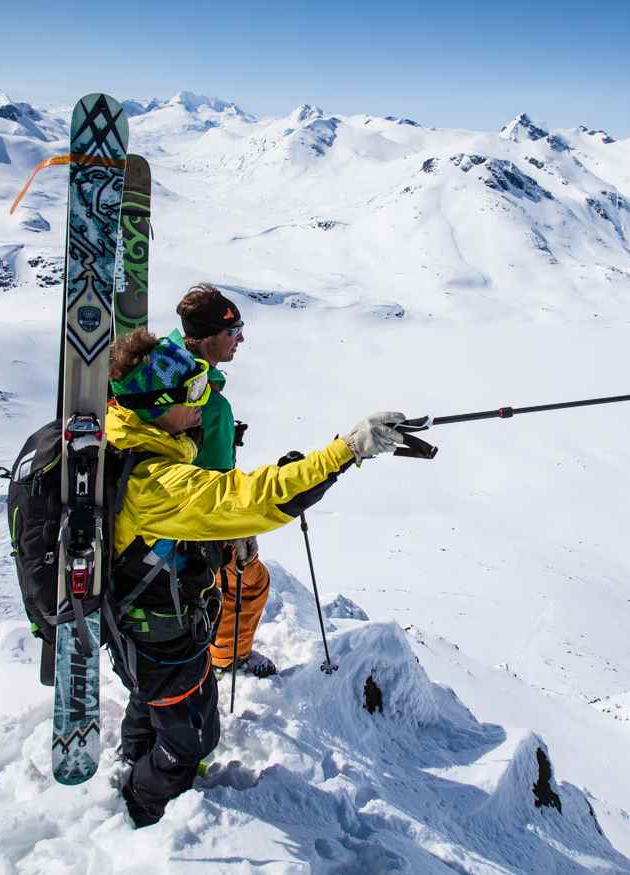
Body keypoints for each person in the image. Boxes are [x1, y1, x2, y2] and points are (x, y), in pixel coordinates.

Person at [102, 328, 405, 828]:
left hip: (142, 625)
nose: (202, 401)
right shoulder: (155, 484)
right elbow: (251, 498)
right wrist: (345, 451)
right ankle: (143, 806)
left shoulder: (125, 438)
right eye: (192, 392)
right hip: (161, 634)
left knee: (150, 700)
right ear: (157, 405)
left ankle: (134, 760)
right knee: (193, 738)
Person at [168, 283, 276, 679]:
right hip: (195, 522)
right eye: (233, 331)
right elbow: (217, 482)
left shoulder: (164, 366)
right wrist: (238, 529)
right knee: (249, 584)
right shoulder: (211, 407)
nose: (240, 338)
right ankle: (227, 657)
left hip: (159, 513)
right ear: (206, 339)